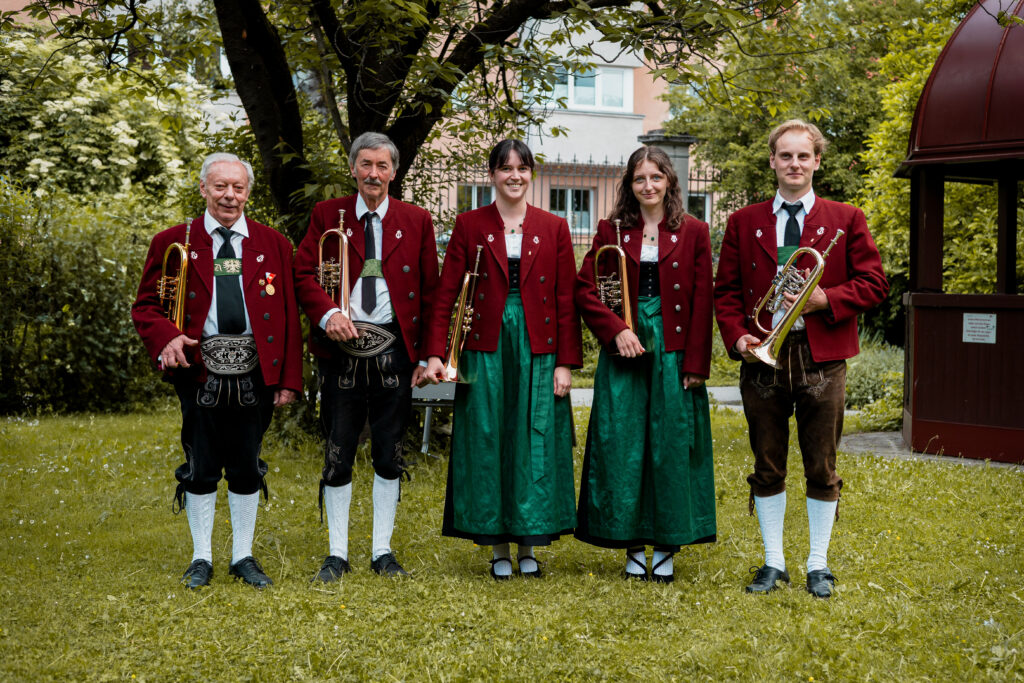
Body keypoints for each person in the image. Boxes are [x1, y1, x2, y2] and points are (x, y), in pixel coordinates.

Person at [714, 119, 889, 598]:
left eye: (803, 156)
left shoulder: (846, 217)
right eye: (786, 155)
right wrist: (738, 337)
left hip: (822, 356)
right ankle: (774, 562)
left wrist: (825, 299)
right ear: (772, 161)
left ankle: (818, 563)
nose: (795, 164)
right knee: (767, 463)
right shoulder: (743, 221)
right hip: (762, 356)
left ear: (817, 162)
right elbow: (725, 292)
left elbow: (875, 283)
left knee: (821, 464)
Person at [132, 152, 303, 589]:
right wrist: (166, 337)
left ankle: (242, 556)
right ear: (203, 188)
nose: (230, 195)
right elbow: (146, 306)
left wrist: (288, 378)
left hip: (255, 370)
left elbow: (289, 315)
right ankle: (201, 558)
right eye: (220, 186)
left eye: (238, 187)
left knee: (247, 464)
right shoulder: (173, 241)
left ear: (248, 192)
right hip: (199, 370)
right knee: (201, 463)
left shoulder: (274, 244)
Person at [423, 139, 582, 580]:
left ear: (531, 174)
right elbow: (445, 294)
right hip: (484, 347)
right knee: (487, 436)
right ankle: (496, 547)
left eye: (522, 168)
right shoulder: (469, 224)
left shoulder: (554, 227)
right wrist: (436, 353)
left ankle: (529, 543)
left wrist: (565, 362)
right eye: (506, 168)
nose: (515, 176)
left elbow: (565, 299)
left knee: (533, 438)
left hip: (538, 347)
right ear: (492, 174)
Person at [294, 132, 439, 581]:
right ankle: (337, 553)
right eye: (366, 165)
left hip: (395, 351)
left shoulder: (416, 220)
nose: (373, 174)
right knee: (338, 451)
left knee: (389, 453)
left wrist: (429, 355)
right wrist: (328, 314)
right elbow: (302, 273)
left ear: (394, 171)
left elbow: (432, 293)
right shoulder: (327, 214)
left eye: (382, 166)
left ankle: (382, 551)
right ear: (353, 168)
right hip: (341, 351)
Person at [574, 146, 716, 583]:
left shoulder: (694, 230)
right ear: (629, 185)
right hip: (626, 348)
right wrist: (615, 329)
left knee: (671, 445)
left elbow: (703, 300)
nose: (648, 185)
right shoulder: (610, 230)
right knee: (622, 444)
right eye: (640, 178)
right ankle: (632, 546)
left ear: (669, 181)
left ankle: (667, 545)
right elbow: (585, 289)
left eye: (656, 177)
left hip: (674, 348)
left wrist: (696, 363)